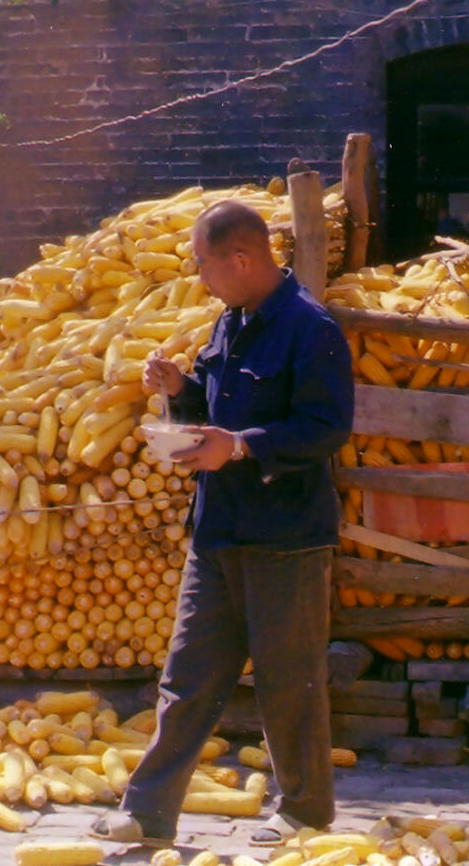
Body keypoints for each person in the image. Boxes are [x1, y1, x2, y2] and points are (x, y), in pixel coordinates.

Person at [91, 199, 355, 849]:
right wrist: (179, 386)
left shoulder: (309, 327)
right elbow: (207, 403)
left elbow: (327, 428)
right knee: (187, 677)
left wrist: (239, 445)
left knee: (287, 681)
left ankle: (306, 811)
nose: (199, 277)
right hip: (220, 533)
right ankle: (149, 811)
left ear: (242, 259)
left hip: (286, 539)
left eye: (204, 265)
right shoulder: (228, 324)